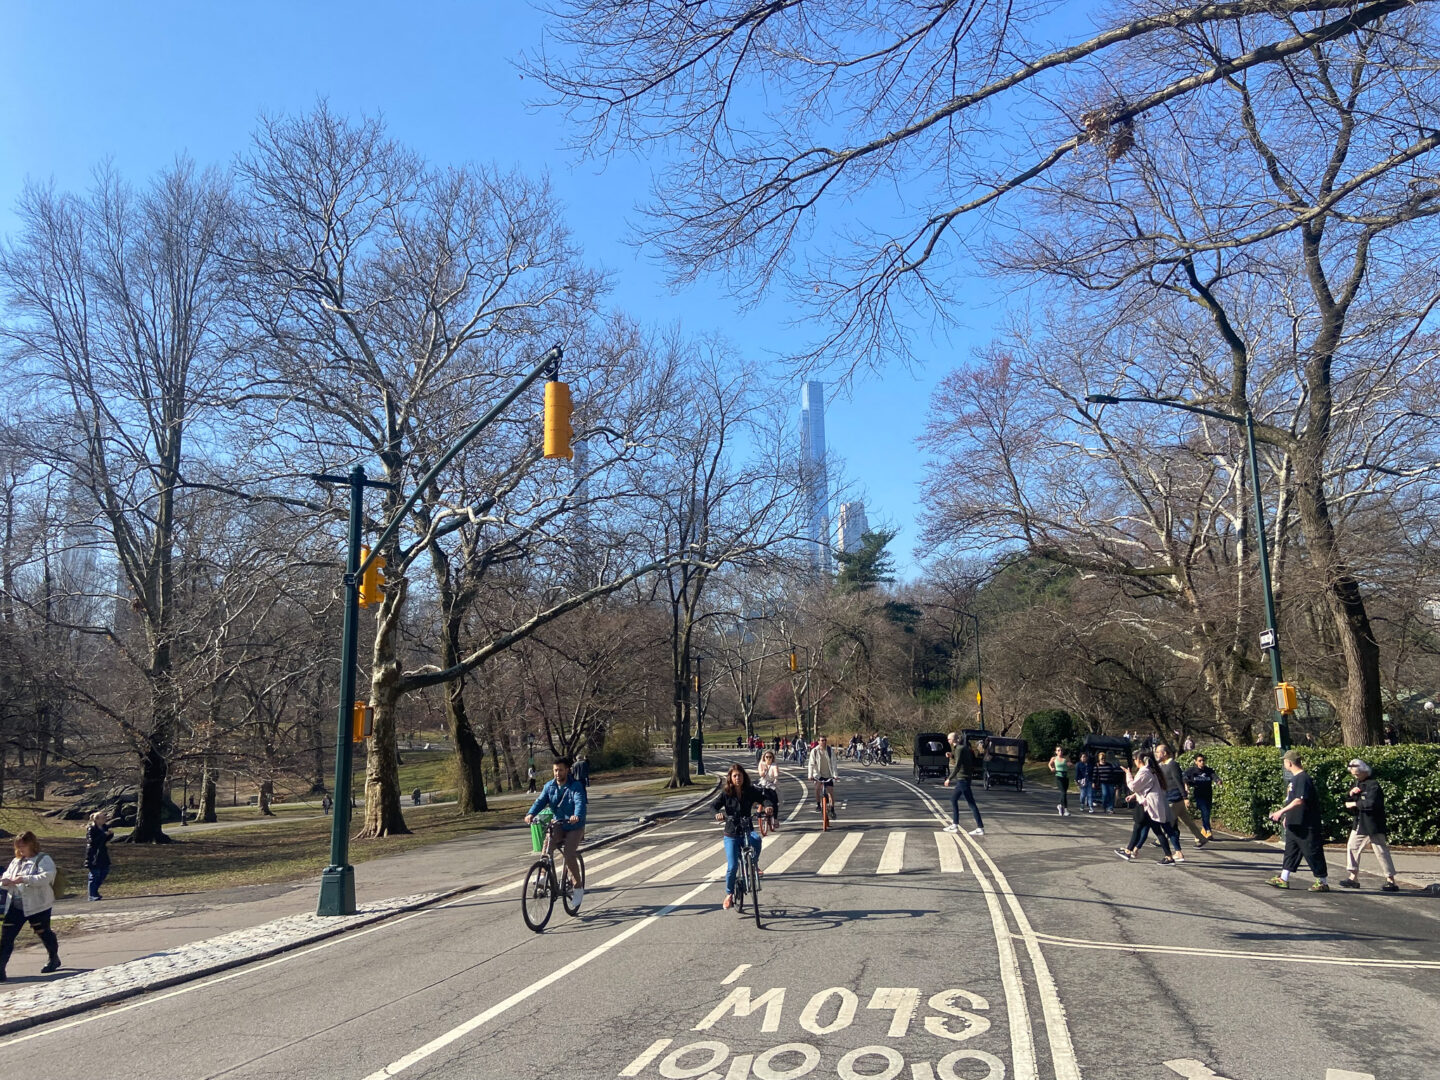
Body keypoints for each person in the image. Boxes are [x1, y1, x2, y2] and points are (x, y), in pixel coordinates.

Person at [524, 757, 589, 910]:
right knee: (547, 845)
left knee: (568, 853)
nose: (557, 773)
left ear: (567, 770)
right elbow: (540, 801)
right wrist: (531, 814)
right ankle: (543, 875)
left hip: (575, 826)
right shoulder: (549, 786)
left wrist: (576, 815)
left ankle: (577, 886)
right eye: (555, 770)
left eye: (560, 770)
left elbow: (579, 802)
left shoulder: (575, 786)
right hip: (558, 823)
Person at [0, 831, 62, 978]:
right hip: (15, 904)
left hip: (37, 905)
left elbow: (46, 877)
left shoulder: (43, 859)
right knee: (7, 936)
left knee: (43, 932)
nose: (20, 849)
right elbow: (6, 877)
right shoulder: (16, 861)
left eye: (23, 846)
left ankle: (53, 958)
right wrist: (5, 882)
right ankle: (0, 969)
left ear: (32, 844)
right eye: (18, 846)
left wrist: (24, 879)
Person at [1268, 750, 1329, 891]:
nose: (1284, 764)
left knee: (1312, 852)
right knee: (1290, 852)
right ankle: (1284, 878)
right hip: (1294, 822)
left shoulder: (1303, 778)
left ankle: (1322, 881)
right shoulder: (1294, 779)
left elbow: (1299, 800)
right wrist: (1287, 817)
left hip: (1306, 823)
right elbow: (1291, 800)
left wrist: (1280, 812)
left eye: (1284, 761)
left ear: (1289, 762)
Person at [712, 763, 767, 910]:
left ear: (744, 777)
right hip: (731, 833)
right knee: (732, 866)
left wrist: (768, 806)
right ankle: (729, 894)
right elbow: (713, 806)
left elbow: (764, 798)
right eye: (735, 775)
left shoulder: (749, 791)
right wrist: (717, 814)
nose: (738, 778)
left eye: (740, 775)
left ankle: (753, 865)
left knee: (756, 839)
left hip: (746, 830)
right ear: (730, 778)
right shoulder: (726, 793)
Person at [1340, 759, 1398, 892]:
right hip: (1360, 823)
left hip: (1373, 824)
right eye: (1353, 774)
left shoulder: (1373, 785)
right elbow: (1351, 803)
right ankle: (1353, 877)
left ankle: (1391, 880)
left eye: (1357, 774)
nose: (1355, 777)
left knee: (1380, 850)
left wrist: (1355, 803)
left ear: (1364, 771)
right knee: (1352, 847)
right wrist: (1351, 795)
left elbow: (1371, 804)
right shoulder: (1357, 784)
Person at [1114, 752, 1175, 864]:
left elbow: (1133, 786)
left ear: (1139, 760)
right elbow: (1145, 788)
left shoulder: (1145, 772)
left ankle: (1129, 851)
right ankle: (1169, 856)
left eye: (1134, 759)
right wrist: (1134, 796)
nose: (1134, 762)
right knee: (1155, 830)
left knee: (1139, 827)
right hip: (1151, 804)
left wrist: (1128, 774)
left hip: (1148, 805)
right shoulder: (1151, 771)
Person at [1155, 743, 1207, 858]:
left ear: (1164, 753)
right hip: (1169, 796)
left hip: (1175, 798)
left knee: (1169, 823)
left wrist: (1185, 797)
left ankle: (1166, 844)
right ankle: (1201, 838)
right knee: (1187, 821)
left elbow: (1179, 781)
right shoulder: (1162, 765)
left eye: (1158, 752)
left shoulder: (1173, 764)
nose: (1156, 754)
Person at [942, 731, 984, 836]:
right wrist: (951, 755)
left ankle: (955, 825)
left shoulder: (960, 749)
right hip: (964, 778)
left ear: (954, 739)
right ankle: (980, 827)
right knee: (971, 803)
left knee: (954, 800)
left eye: (949, 739)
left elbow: (958, 765)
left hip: (963, 779)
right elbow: (959, 759)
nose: (948, 741)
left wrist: (949, 778)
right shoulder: (960, 748)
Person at [806, 734, 840, 822]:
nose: (823, 742)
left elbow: (834, 763)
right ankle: (818, 805)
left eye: (825, 740)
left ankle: (832, 809)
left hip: (828, 774)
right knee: (817, 788)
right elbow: (811, 764)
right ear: (818, 742)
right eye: (822, 740)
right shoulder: (814, 751)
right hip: (818, 775)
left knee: (830, 791)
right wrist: (810, 775)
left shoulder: (829, 750)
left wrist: (835, 775)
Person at [1182, 753, 1218, 837]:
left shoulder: (1208, 770)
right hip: (1199, 795)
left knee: (1207, 813)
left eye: (1203, 760)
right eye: (1200, 761)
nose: (1202, 762)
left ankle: (1204, 829)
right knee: (1204, 811)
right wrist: (1186, 785)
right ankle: (1208, 830)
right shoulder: (1192, 771)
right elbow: (1184, 777)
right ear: (1196, 762)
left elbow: (1214, 776)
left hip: (1208, 795)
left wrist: (1218, 781)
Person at [85, 811, 114, 902]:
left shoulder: (105, 827)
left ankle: (95, 891)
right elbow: (92, 841)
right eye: (102, 818)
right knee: (95, 874)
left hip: (102, 853)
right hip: (93, 854)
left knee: (104, 871)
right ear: (96, 820)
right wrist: (103, 835)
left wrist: (110, 834)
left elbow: (105, 840)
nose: (105, 819)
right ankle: (92, 895)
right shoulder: (91, 829)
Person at [754, 750, 781, 829]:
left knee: (775, 801)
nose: (768, 759)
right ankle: (759, 810)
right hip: (763, 783)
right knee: (762, 797)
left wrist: (775, 780)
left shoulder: (774, 765)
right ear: (764, 757)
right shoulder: (761, 764)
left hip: (771, 784)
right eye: (767, 757)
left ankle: (775, 818)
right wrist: (764, 771)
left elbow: (776, 774)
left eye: (770, 757)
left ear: (773, 758)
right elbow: (761, 774)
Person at [1048, 746, 1072, 816]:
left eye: (1061, 750)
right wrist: (1051, 768)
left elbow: (1070, 764)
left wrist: (1070, 765)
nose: (1060, 752)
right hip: (1058, 776)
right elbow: (1049, 764)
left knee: (1064, 793)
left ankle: (1060, 805)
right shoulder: (1054, 758)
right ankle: (1066, 810)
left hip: (1065, 776)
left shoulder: (1066, 758)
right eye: (1058, 750)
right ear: (1056, 752)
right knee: (1063, 792)